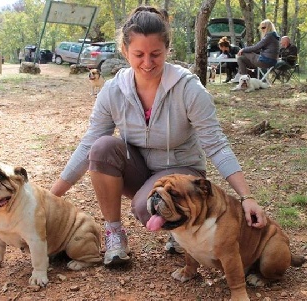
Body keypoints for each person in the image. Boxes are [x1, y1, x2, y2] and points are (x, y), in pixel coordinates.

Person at [50, 6, 267, 266]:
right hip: (141, 170)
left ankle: (179, 221)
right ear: (124, 51)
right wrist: (53, 197)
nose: (148, 63)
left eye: (156, 54)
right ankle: (114, 233)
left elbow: (216, 145)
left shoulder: (189, 89)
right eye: (138, 54)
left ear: (167, 50)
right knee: (102, 147)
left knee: (146, 208)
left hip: (182, 169)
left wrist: (246, 196)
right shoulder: (112, 91)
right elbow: (88, 145)